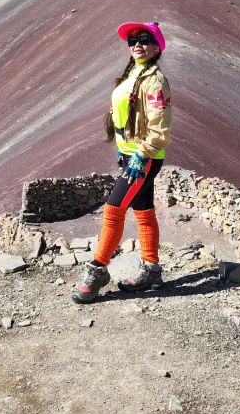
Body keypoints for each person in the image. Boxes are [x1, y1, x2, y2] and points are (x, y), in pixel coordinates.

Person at [72, 21, 172, 304]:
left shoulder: (155, 80)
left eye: (143, 39)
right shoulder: (134, 75)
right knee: (144, 211)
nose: (136, 44)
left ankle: (97, 270)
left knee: (114, 208)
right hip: (131, 154)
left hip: (144, 156)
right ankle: (152, 270)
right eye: (132, 41)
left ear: (156, 46)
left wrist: (141, 154)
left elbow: (160, 126)